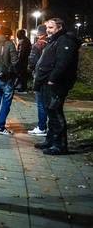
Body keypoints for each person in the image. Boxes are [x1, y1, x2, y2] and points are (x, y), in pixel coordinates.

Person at [33, 18, 80, 155]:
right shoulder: (54, 40)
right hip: (47, 83)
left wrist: (52, 79)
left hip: (56, 84)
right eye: (47, 27)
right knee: (50, 112)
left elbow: (63, 63)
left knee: (55, 112)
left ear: (59, 27)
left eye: (51, 27)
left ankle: (60, 145)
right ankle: (50, 141)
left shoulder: (65, 40)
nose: (48, 30)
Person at [27, 24, 48, 136]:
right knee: (48, 103)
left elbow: (32, 61)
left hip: (40, 76)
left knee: (40, 103)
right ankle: (46, 126)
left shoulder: (38, 45)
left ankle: (41, 127)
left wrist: (31, 69)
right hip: (49, 77)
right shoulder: (51, 43)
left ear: (39, 33)